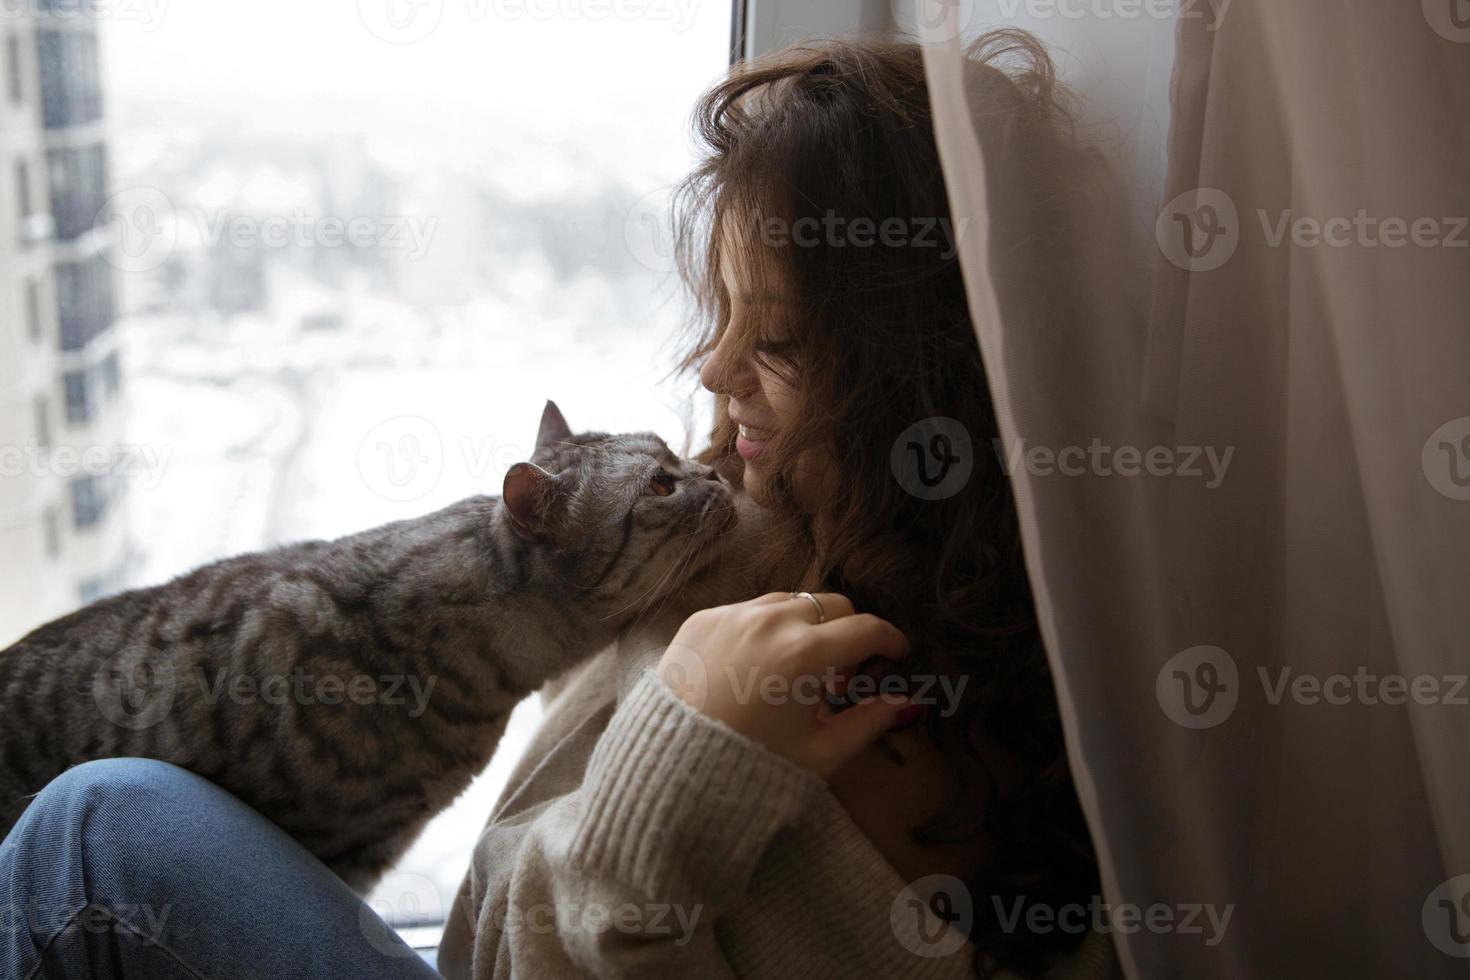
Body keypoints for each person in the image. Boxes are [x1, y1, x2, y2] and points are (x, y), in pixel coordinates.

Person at [1, 32, 1116, 980]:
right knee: (101, 817)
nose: (714, 376)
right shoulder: (763, 505)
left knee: (89, 831)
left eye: (773, 342)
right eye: (719, 311)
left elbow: (497, 950)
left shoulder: (948, 768)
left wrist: (683, 768)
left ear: (924, 383)